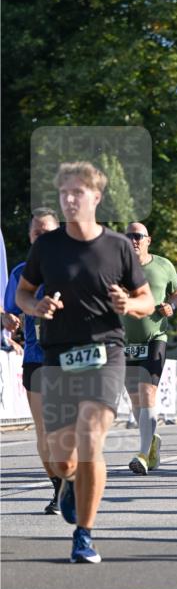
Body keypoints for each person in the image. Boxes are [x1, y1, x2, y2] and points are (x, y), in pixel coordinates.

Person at [15, 161, 154, 563]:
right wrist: (36, 306)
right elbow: (24, 293)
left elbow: (144, 299)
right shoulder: (46, 247)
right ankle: (71, 480)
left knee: (92, 437)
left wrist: (129, 304)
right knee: (62, 458)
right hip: (58, 356)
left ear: (95, 197)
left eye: (77, 193)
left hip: (105, 353)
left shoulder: (117, 247)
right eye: (64, 194)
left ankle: (85, 534)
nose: (70, 200)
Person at [3, 208, 61, 512]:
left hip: (70, 359)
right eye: (37, 233)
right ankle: (58, 488)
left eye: (48, 232)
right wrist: (7, 317)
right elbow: (8, 309)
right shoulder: (20, 273)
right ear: (30, 237)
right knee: (45, 431)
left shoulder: (73, 268)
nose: (42, 237)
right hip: (36, 359)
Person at [122, 222, 177, 475]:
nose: (133, 240)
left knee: (147, 393)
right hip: (125, 342)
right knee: (135, 399)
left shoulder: (163, 265)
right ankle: (152, 441)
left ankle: (143, 453)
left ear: (149, 239)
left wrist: (172, 306)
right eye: (128, 236)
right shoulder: (117, 266)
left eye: (138, 236)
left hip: (154, 338)